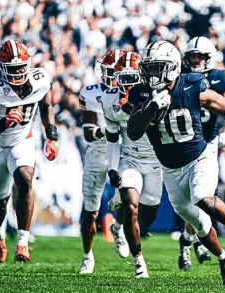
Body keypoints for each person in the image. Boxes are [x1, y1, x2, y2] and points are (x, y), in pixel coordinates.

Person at [127, 41, 225, 285]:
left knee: (202, 195)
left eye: (157, 68)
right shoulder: (142, 92)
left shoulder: (190, 85)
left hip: (199, 156)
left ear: (172, 68)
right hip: (170, 167)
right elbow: (134, 131)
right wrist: (150, 108)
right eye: (149, 68)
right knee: (199, 223)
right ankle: (224, 258)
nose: (151, 74)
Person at [0, 40, 60, 263]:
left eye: (22, 67)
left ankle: (22, 242)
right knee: (0, 201)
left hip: (22, 140)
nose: (19, 72)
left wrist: (52, 136)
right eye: (13, 69)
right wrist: (3, 123)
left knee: (25, 179)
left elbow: (46, 106)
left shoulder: (40, 79)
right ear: (2, 69)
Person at [177, 36, 225, 270]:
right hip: (186, 141)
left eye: (199, 57)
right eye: (192, 56)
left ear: (209, 58)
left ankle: (189, 239)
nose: (195, 61)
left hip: (210, 141)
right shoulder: (180, 77)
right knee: (193, 197)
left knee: (203, 195)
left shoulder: (220, 77)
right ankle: (189, 239)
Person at [103, 51, 163, 278]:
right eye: (123, 78)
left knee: (147, 217)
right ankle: (140, 264)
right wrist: (112, 167)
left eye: (132, 78)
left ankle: (117, 226)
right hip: (130, 157)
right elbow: (112, 138)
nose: (127, 84)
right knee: (130, 206)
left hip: (155, 160)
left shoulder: (156, 92)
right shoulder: (109, 101)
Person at [77, 50, 129, 274]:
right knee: (91, 208)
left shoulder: (134, 92)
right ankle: (88, 256)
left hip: (125, 151)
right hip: (98, 153)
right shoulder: (91, 94)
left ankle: (119, 228)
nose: (114, 76)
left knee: (130, 197)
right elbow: (88, 134)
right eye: (110, 71)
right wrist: (107, 131)